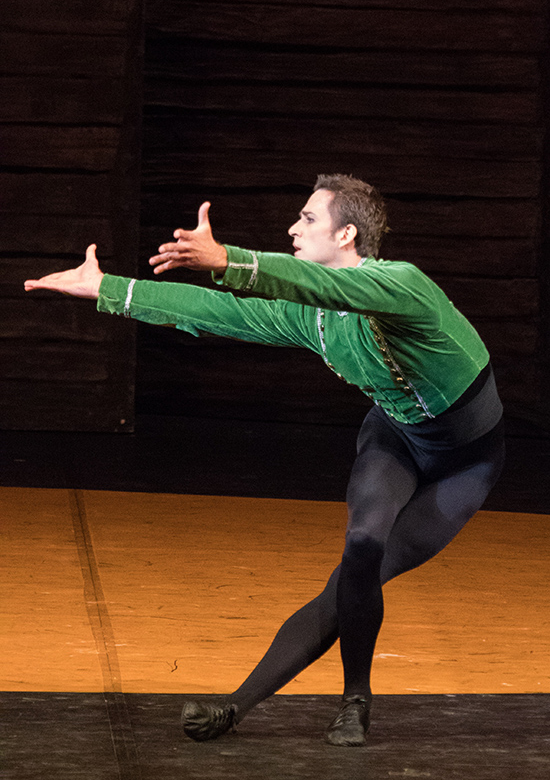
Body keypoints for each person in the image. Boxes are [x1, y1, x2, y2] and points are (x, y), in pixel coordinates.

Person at [25, 174, 505, 747]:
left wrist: (228, 258)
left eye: (307, 219)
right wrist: (109, 289)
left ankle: (341, 699)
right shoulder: (314, 317)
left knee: (359, 577)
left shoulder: (404, 285)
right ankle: (256, 706)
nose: (293, 228)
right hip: (396, 438)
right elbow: (219, 311)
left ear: (347, 233)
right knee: (362, 543)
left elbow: (308, 281)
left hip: (466, 465)